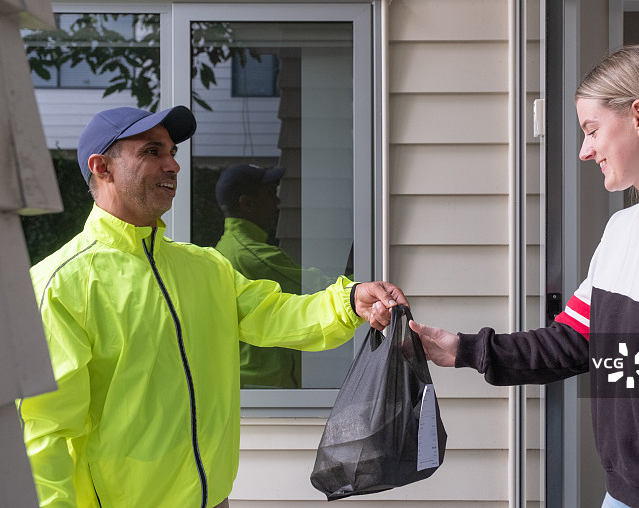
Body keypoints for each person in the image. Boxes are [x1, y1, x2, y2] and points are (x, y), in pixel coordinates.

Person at [18, 105, 408, 508]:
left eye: (172, 152)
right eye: (152, 152)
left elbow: (276, 314)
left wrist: (349, 300)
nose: (173, 165)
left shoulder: (205, 267)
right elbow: (45, 433)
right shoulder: (60, 285)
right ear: (102, 167)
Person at [410, 45, 639, 508]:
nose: (584, 151)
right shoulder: (622, 229)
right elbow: (573, 341)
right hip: (623, 493)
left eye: (592, 130)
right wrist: (462, 349)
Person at [214, 163, 337, 388]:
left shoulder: (231, 247)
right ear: (246, 203)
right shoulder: (250, 255)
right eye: (270, 194)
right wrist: (364, 281)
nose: (277, 201)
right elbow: (319, 288)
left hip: (257, 386)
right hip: (262, 388)